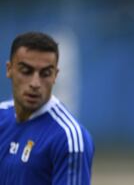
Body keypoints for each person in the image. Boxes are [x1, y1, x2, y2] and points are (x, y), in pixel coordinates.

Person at [0, 32, 94, 185]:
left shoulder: (68, 137)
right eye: (26, 71)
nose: (35, 83)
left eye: (45, 73)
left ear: (55, 76)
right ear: (9, 69)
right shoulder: (1, 116)